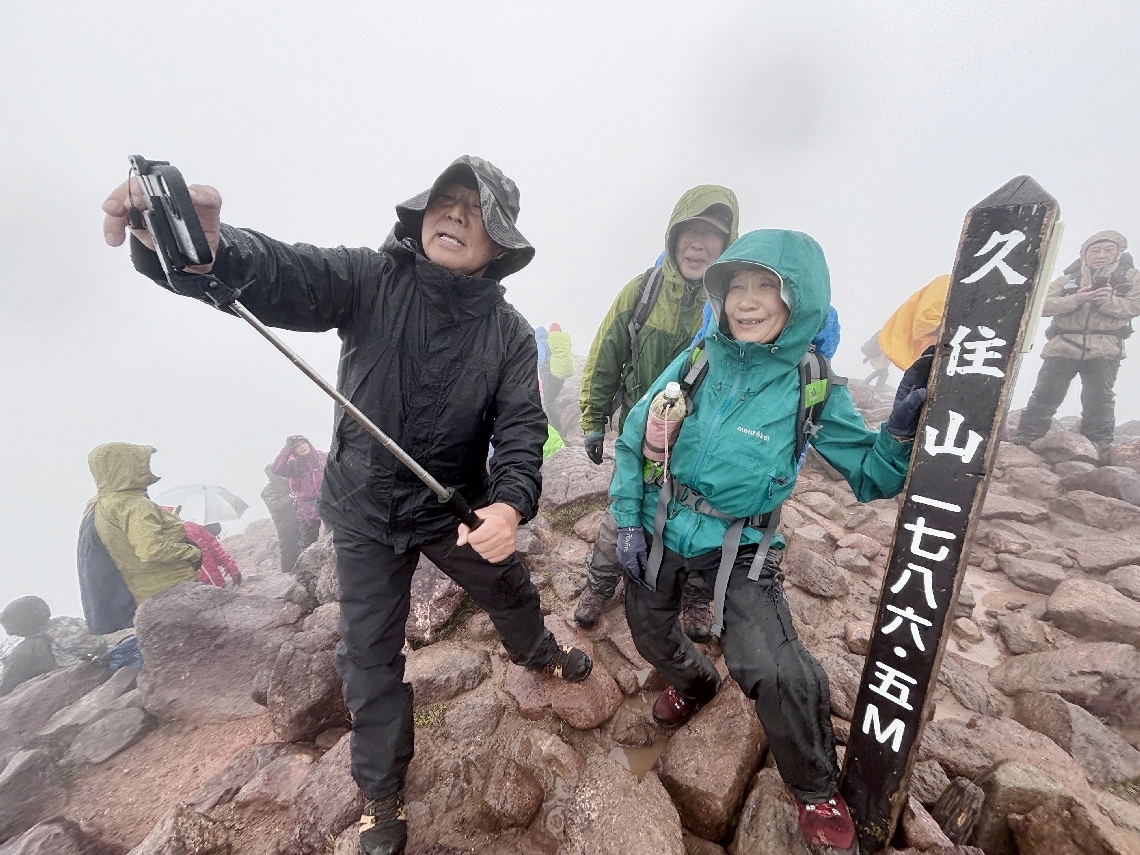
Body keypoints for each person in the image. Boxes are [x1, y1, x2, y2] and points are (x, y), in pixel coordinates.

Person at [103, 155, 592, 855]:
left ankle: (538, 650)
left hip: (452, 508)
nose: (454, 213)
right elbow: (279, 272)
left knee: (509, 585)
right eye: (445, 201)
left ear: (499, 246)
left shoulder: (510, 336)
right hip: (362, 514)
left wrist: (511, 505)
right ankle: (382, 794)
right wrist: (210, 252)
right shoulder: (369, 278)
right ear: (422, 215)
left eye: (475, 210)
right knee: (368, 657)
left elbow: (519, 428)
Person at [610, 230, 926, 855]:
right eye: (736, 287)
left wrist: (896, 431)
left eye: (766, 287)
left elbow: (871, 476)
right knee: (647, 630)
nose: (746, 302)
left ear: (796, 300)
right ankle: (696, 683)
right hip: (663, 521)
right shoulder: (697, 360)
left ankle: (814, 786)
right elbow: (634, 436)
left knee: (775, 668)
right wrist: (628, 519)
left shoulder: (811, 384)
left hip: (742, 542)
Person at [575, 185, 739, 637]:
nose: (699, 243)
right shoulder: (642, 291)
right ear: (673, 236)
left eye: (713, 234)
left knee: (705, 519)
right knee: (621, 511)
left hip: (703, 443)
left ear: (728, 245)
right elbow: (607, 352)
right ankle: (600, 583)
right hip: (642, 434)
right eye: (691, 231)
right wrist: (592, 421)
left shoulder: (733, 307)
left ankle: (694, 597)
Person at [1013, 230, 1140, 455]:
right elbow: (1040, 305)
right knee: (1045, 394)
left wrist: (1107, 301)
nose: (1101, 255)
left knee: (1099, 398)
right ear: (1084, 254)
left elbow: (1135, 306)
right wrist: (1076, 298)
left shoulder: (1131, 277)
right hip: (1063, 344)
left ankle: (1098, 445)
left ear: (1119, 253)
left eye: (1108, 250)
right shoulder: (1066, 280)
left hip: (1105, 347)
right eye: (1095, 250)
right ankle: (1025, 440)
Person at [79, 443, 202, 630]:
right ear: (126, 467)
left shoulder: (98, 505)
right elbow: (152, 550)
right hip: (167, 589)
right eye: (140, 463)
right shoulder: (132, 505)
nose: (146, 469)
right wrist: (192, 552)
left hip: (141, 596)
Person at [861, 274, 950, 387]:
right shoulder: (946, 284)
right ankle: (876, 387)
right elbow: (924, 322)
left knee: (882, 372)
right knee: (882, 372)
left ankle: (876, 387)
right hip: (902, 341)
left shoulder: (885, 343)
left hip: (899, 343)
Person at [272, 435, 328, 551]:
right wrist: (287, 449)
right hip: (307, 510)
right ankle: (308, 566)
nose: (302, 447)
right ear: (293, 450)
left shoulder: (321, 457)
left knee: (337, 535)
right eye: (297, 446)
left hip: (328, 503)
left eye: (303, 443)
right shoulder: (292, 466)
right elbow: (276, 469)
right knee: (308, 542)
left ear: (308, 443)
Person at [165, 507, 243, 587]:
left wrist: (232, 568)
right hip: (194, 591)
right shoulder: (166, 543)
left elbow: (215, 549)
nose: (177, 516)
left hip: (217, 583)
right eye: (174, 515)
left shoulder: (193, 528)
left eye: (177, 513)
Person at [0, 596, 57, 697]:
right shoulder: (69, 625)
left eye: (11, 626)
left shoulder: (27, 648)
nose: (10, 633)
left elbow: (4, 686)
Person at [262, 463, 303, 572]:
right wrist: (289, 497)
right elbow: (274, 506)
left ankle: (298, 567)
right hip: (284, 524)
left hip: (297, 518)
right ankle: (287, 570)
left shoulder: (287, 482)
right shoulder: (268, 489)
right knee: (287, 547)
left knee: (299, 543)